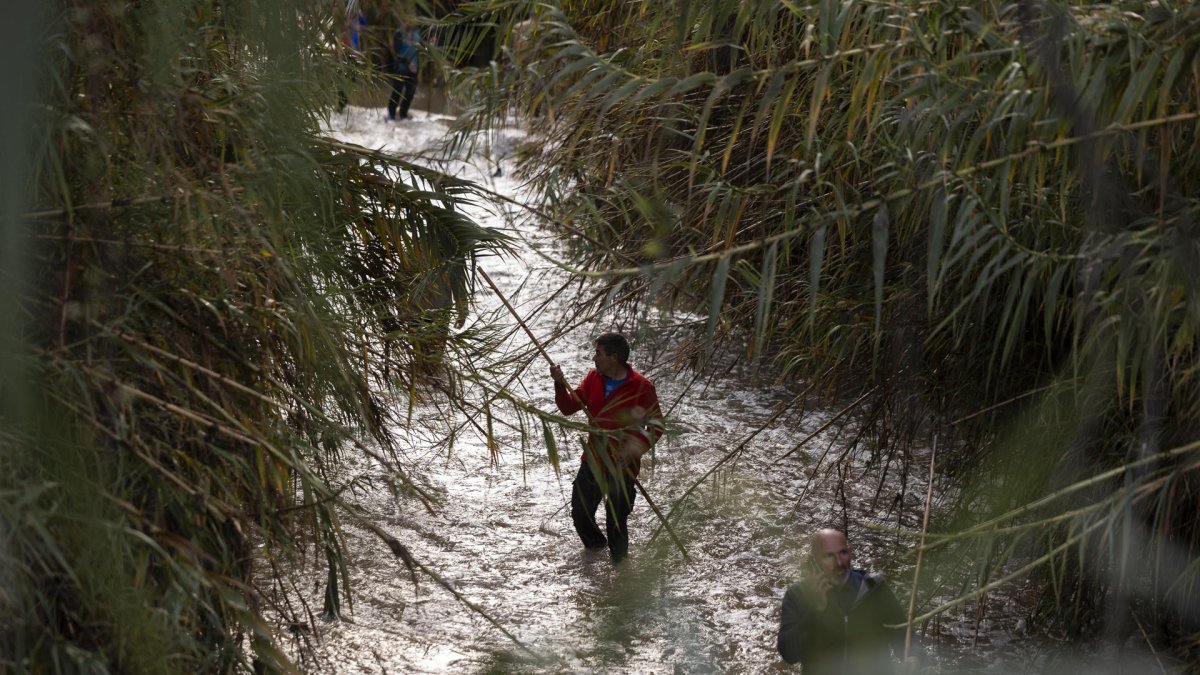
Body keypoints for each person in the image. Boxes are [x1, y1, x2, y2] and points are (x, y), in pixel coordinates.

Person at [550, 332, 665, 563]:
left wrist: (634, 449)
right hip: (593, 458)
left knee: (616, 521)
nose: (594, 358)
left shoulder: (641, 386)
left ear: (613, 358)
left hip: (623, 465)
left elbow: (656, 425)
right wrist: (559, 384)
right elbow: (568, 408)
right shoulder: (593, 378)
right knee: (580, 515)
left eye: (599, 354)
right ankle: (595, 552)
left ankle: (619, 573)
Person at [777, 528, 920, 674]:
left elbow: (903, 633)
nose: (839, 563)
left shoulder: (874, 589)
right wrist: (816, 611)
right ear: (814, 560)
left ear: (850, 551)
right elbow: (789, 654)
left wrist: (913, 656)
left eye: (843, 553)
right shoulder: (798, 595)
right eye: (829, 556)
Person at [387, 24, 420, 121]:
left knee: (410, 93)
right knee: (397, 92)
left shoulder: (418, 33)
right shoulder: (399, 34)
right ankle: (391, 115)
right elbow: (396, 53)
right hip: (400, 68)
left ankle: (403, 115)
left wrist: (431, 43)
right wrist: (408, 63)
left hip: (413, 69)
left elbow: (422, 49)